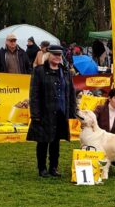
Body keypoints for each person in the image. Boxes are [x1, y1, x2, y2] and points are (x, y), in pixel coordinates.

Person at [27, 45, 77, 177]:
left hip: (60, 112)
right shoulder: (39, 71)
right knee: (43, 141)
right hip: (44, 112)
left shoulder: (65, 72)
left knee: (56, 142)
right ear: (48, 55)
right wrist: (35, 114)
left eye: (59, 55)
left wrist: (72, 111)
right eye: (55, 55)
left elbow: (71, 92)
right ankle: (42, 168)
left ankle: (53, 167)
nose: (57, 57)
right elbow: (34, 94)